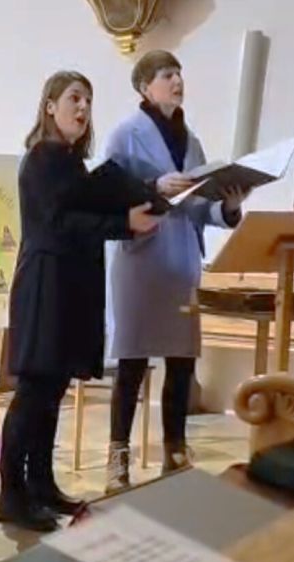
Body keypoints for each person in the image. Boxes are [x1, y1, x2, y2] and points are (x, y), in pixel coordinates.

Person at [0, 71, 161, 532]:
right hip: (45, 286)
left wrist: (137, 207)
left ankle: (42, 485)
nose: (83, 107)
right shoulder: (42, 159)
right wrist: (123, 222)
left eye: (88, 100)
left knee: (53, 393)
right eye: (73, 98)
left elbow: (86, 209)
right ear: (49, 105)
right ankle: (11, 494)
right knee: (33, 393)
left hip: (68, 286)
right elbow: (57, 226)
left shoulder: (69, 162)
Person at [103, 50, 248, 491]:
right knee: (132, 363)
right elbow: (109, 193)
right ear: (146, 86)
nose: (177, 81)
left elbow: (202, 208)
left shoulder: (192, 140)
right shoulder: (125, 135)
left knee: (181, 361)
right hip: (142, 261)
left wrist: (229, 206)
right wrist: (152, 187)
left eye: (180, 74)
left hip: (182, 259)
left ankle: (175, 450)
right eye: (168, 75)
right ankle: (118, 457)